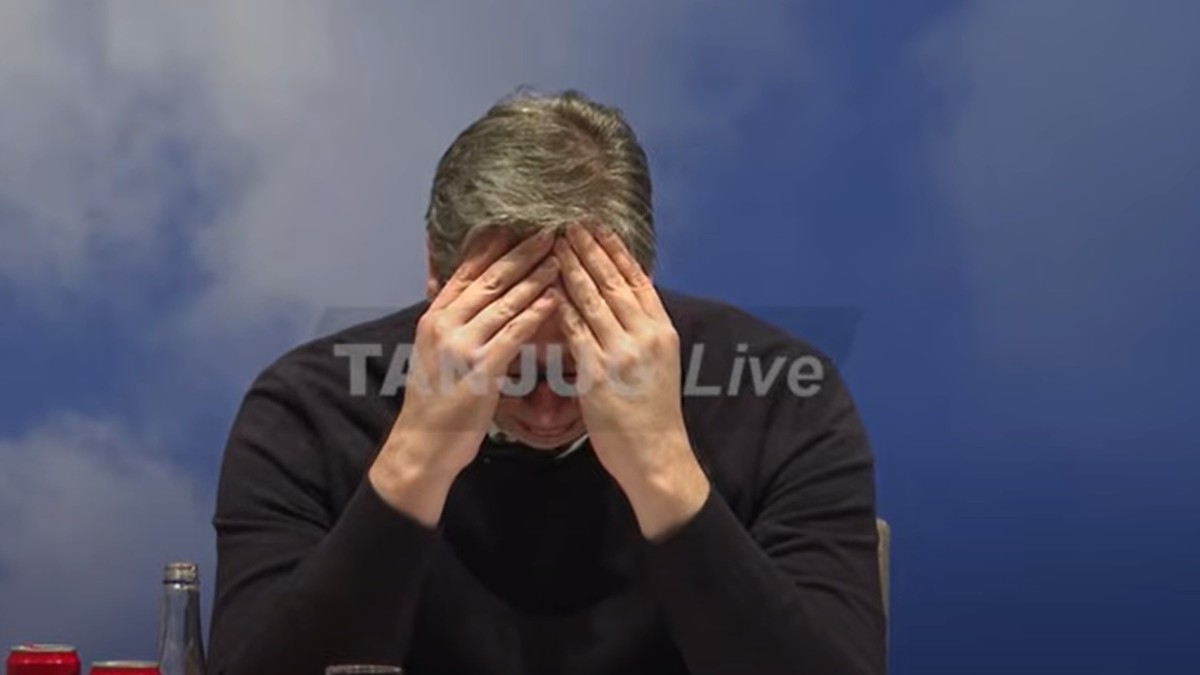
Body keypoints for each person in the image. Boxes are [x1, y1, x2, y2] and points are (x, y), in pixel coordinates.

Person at [206, 89, 886, 675]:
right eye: (505, 363)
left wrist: (664, 472)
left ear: (641, 283)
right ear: (436, 275)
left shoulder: (780, 398)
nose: (547, 407)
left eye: (581, 364)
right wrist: (415, 462)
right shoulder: (307, 410)